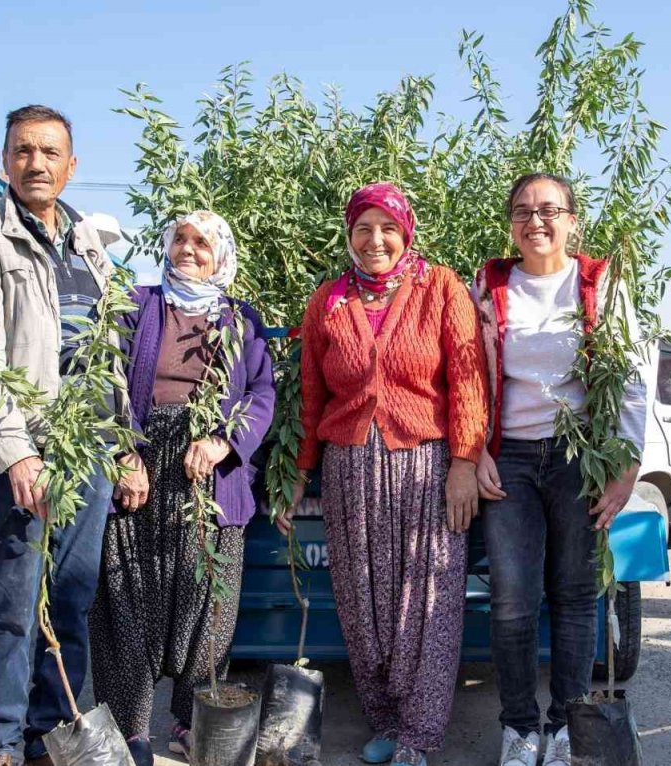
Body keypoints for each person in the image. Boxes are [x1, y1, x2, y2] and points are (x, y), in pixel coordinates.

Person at [276, 183, 488, 766]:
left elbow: (468, 379)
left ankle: (419, 735)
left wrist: (464, 462)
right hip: (349, 468)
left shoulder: (440, 287)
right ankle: (387, 721)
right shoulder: (327, 300)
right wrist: (299, 471)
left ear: (406, 232)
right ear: (349, 235)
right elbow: (313, 395)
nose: (376, 240)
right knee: (361, 601)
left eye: (388, 228)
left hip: (425, 465)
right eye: (363, 229)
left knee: (427, 602)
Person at [0, 105, 127, 766]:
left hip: (87, 449)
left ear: (71, 166)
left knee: (71, 600)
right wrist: (16, 451)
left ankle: (49, 736)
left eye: (50, 153)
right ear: (4, 161)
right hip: (24, 449)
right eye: (23, 151)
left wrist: (124, 446)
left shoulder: (89, 243)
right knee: (14, 604)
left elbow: (109, 354)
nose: (37, 164)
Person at [88, 211, 275, 766]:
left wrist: (223, 443)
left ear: (222, 257)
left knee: (207, 604)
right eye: (180, 241)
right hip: (141, 466)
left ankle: (192, 721)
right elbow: (102, 378)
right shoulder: (135, 305)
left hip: (208, 475)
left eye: (202, 243)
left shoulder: (240, 320)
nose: (188, 250)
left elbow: (262, 393)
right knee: (126, 597)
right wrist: (123, 452)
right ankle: (131, 729)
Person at [473, 173, 647, 766]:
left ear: (572, 220)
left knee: (574, 596)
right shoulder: (489, 285)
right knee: (512, 600)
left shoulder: (600, 283)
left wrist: (626, 466)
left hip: (580, 461)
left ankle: (568, 723)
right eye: (522, 211)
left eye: (549, 210)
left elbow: (630, 378)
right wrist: (476, 451)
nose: (536, 221)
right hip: (510, 460)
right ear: (510, 223)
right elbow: (468, 376)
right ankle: (520, 728)